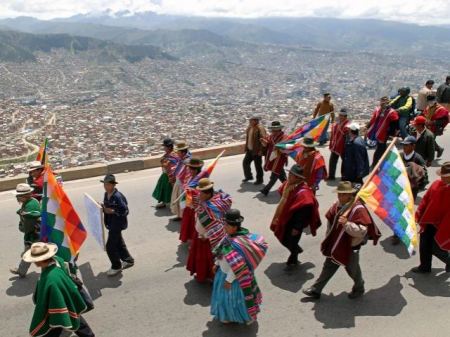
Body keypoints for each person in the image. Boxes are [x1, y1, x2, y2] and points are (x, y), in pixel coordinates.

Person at [302, 181, 381, 300]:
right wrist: (328, 236)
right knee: (328, 266)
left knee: (352, 270)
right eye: (339, 194)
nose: (340, 196)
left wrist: (347, 224)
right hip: (335, 244)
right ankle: (316, 289)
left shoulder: (358, 209)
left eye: (343, 194)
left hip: (350, 246)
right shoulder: (337, 204)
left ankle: (359, 287)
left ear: (350, 195)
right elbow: (331, 220)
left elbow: (361, 231)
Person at [23, 242, 95, 337]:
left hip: (59, 301)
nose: (33, 262)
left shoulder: (50, 278)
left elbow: (53, 301)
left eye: (34, 259)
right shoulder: (58, 260)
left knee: (56, 322)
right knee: (73, 314)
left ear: (40, 260)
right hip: (68, 294)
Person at [211, 209, 268, 325]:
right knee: (225, 298)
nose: (224, 227)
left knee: (237, 299)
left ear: (234, 227)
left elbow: (238, 266)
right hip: (223, 273)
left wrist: (229, 280)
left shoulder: (238, 244)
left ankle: (246, 317)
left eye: (226, 225)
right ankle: (227, 314)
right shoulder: (228, 237)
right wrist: (216, 264)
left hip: (237, 278)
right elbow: (222, 252)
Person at [270, 165, 321, 269]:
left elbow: (303, 212)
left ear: (298, 178)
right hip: (285, 217)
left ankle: (293, 260)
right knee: (281, 235)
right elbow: (282, 192)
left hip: (294, 222)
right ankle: (296, 250)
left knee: (291, 241)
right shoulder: (289, 185)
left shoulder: (304, 192)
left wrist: (297, 228)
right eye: (289, 174)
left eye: (291, 175)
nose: (288, 177)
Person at [411, 162, 450, 274]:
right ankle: (425, 267)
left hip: (443, 225)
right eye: (442, 175)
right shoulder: (436, 184)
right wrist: (418, 214)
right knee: (424, 244)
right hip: (429, 221)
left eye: (445, 176)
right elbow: (425, 200)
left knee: (436, 247)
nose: (442, 178)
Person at [101, 174, 134, 276]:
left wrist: (113, 211)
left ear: (112, 185)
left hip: (117, 224)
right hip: (111, 223)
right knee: (119, 243)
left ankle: (116, 266)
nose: (105, 186)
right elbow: (106, 207)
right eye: (104, 184)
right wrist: (102, 207)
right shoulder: (106, 194)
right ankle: (128, 260)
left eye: (107, 184)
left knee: (110, 246)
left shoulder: (118, 197)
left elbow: (125, 211)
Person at [9, 183, 41, 278]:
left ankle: (21, 271)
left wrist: (21, 227)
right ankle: (21, 271)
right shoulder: (32, 201)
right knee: (30, 253)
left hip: (34, 235)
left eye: (18, 196)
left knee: (31, 253)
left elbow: (27, 227)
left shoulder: (29, 208)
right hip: (38, 232)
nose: (17, 198)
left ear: (24, 196)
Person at [366, 96, 399, 169]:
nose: (384, 103)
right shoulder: (378, 110)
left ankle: (376, 164)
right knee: (381, 149)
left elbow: (395, 122)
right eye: (382, 102)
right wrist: (367, 127)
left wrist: (392, 132)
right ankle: (380, 164)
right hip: (377, 132)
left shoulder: (391, 112)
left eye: (385, 102)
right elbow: (373, 120)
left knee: (380, 149)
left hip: (385, 133)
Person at [260, 121, 288, 196]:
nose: (273, 132)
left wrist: (279, 148)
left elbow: (286, 149)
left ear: (279, 130)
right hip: (272, 158)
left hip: (279, 158)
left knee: (275, 174)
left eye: (274, 130)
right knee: (281, 175)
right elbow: (267, 144)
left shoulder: (284, 138)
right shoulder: (271, 136)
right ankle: (289, 187)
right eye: (272, 130)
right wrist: (263, 141)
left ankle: (266, 189)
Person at [179, 158, 204, 243]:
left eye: (191, 169)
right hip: (188, 203)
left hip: (196, 205)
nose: (189, 170)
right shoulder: (190, 178)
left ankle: (194, 241)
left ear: (196, 170)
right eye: (189, 168)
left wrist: (192, 191)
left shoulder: (201, 180)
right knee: (187, 222)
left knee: (194, 224)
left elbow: (201, 193)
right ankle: (188, 238)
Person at [400, 136, 428, 201]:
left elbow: (424, 173)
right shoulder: (400, 155)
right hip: (401, 185)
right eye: (403, 145)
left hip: (412, 188)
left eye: (406, 145)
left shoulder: (418, 158)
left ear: (413, 146)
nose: (404, 147)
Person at [421, 95, 449, 159]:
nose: (430, 102)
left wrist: (432, 122)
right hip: (427, 127)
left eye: (431, 101)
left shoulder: (441, 109)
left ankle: (431, 154)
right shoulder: (428, 107)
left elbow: (443, 120)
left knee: (429, 140)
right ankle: (439, 149)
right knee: (430, 140)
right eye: (429, 101)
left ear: (435, 100)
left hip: (435, 128)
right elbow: (424, 114)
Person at [152, 138, 178, 209]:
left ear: (169, 147)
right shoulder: (169, 154)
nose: (164, 148)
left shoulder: (173, 155)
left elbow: (173, 166)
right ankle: (164, 202)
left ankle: (174, 204)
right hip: (165, 174)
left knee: (171, 190)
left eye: (165, 147)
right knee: (162, 188)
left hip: (170, 175)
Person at [170, 141, 192, 220]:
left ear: (182, 152)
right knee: (178, 200)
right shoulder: (182, 160)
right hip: (179, 182)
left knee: (183, 202)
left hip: (183, 184)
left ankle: (184, 217)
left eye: (178, 152)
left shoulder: (187, 161)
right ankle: (180, 215)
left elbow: (189, 175)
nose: (177, 153)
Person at [243, 116, 267, 185]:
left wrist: (261, 151)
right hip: (249, 150)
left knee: (258, 166)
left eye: (251, 120)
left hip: (256, 151)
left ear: (256, 121)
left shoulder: (260, 128)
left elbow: (263, 140)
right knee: (245, 163)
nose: (249, 122)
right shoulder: (250, 128)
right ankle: (249, 176)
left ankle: (260, 180)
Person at [328, 108, 350, 180]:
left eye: (342, 116)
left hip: (343, 146)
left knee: (345, 162)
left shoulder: (347, 125)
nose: (340, 117)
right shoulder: (338, 123)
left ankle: (344, 176)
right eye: (340, 115)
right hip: (335, 145)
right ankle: (331, 175)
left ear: (345, 116)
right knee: (332, 161)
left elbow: (348, 136)